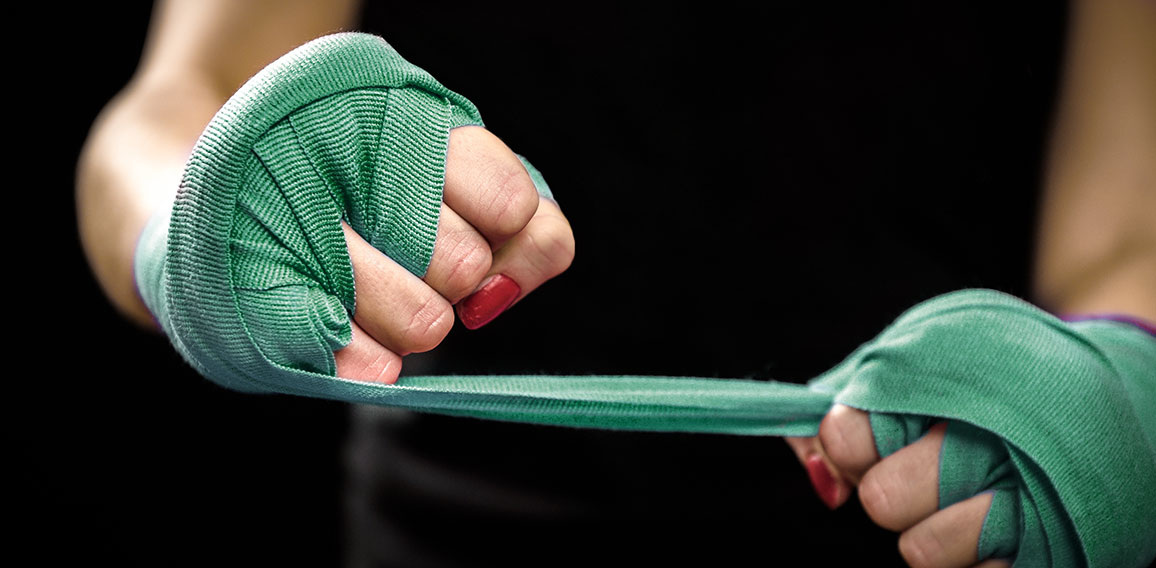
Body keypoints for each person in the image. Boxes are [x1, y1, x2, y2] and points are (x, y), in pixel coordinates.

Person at [75, 0, 1155, 566]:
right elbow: (176, 99)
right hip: (453, 529)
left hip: (936, 503)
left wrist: (1119, 376)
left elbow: (1124, 233)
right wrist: (192, 232)